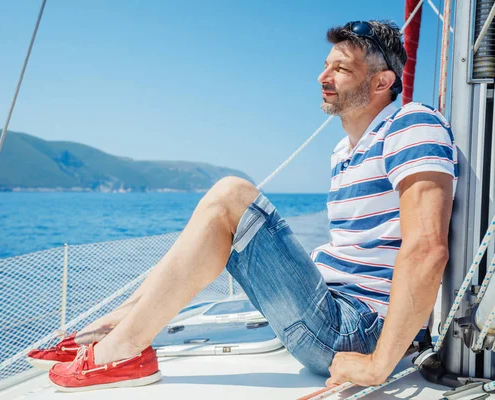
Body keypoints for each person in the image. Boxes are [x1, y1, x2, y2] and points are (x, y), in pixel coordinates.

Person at [27, 20, 457, 391]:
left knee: (231, 196)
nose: (324, 76)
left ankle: (120, 352)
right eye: (326, 65)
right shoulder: (343, 153)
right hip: (330, 303)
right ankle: (113, 328)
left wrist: (379, 363)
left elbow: (426, 248)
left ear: (382, 82)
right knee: (221, 215)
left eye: (341, 69)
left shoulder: (412, 124)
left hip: (357, 330)